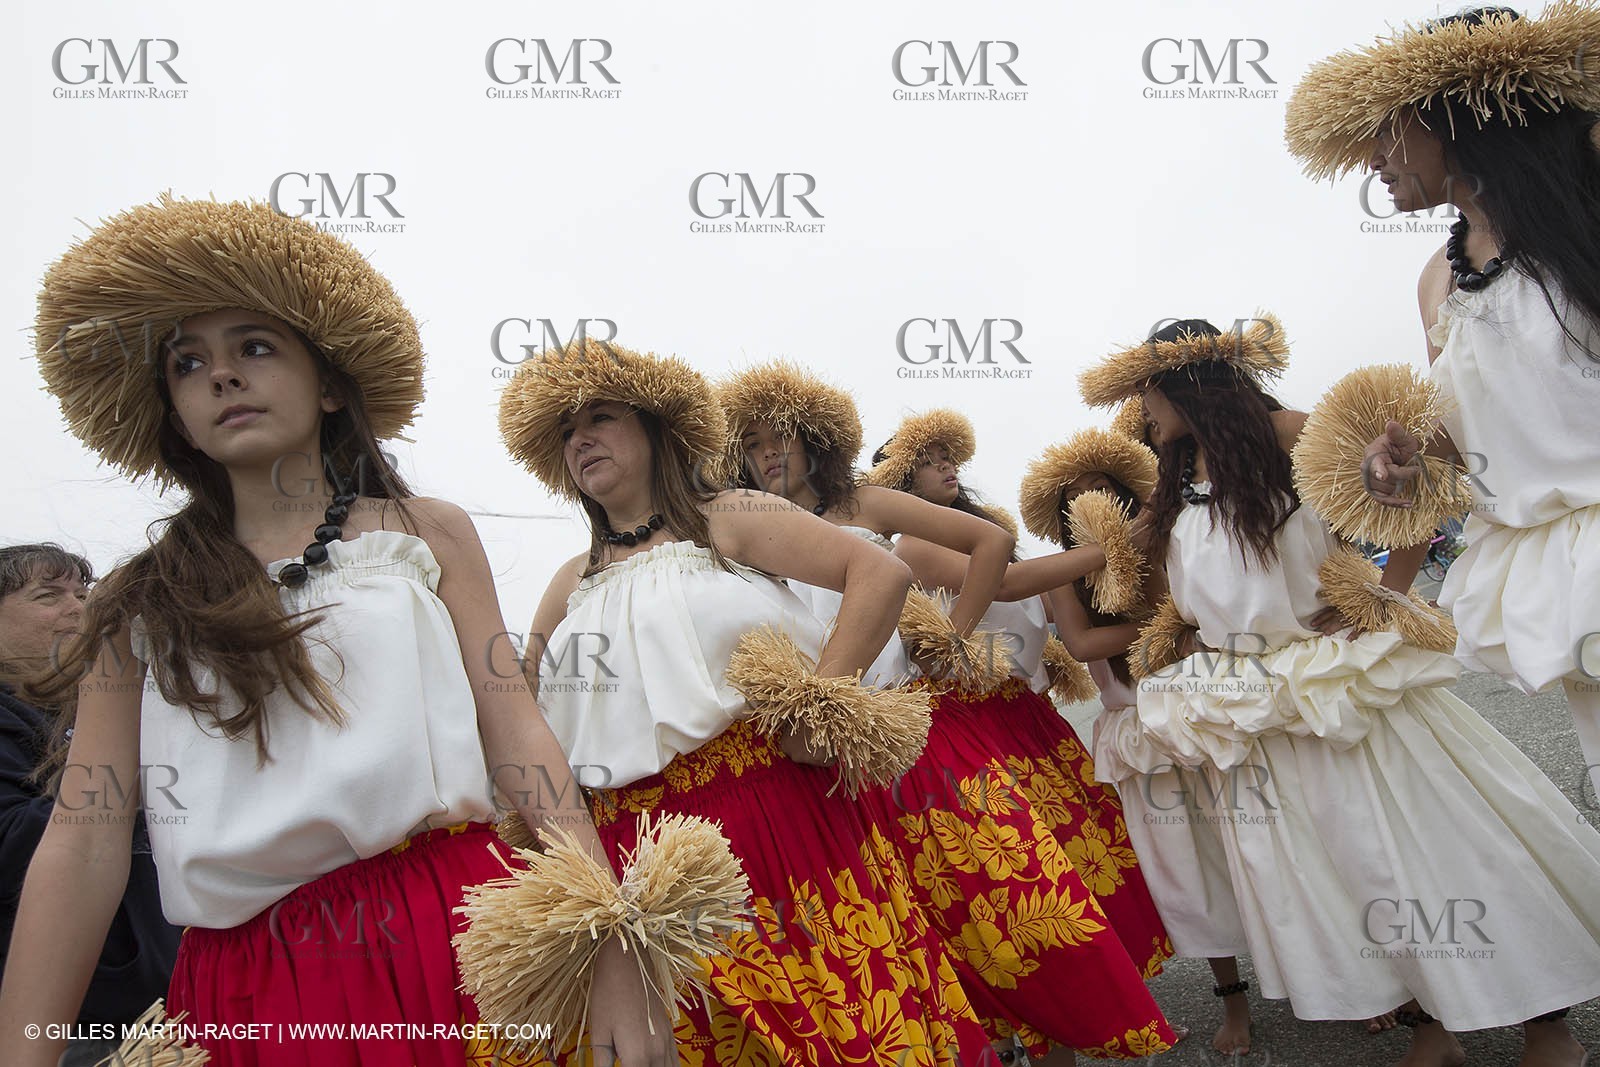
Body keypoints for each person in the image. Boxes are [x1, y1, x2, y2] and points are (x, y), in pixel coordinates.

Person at [0, 196, 677, 1067]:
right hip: (247, 1000)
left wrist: (610, 939)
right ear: (174, 414)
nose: (222, 375)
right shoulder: (136, 603)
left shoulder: (427, 531)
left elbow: (517, 735)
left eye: (254, 346)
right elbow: (84, 837)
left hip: (458, 937)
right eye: (187, 363)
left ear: (327, 384)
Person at [1079, 315, 1600, 1067]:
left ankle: (1547, 1025)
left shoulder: (1295, 434)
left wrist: (1380, 596)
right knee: (1337, 871)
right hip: (1249, 708)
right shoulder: (1177, 480)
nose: (1142, 412)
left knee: (1433, 845)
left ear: (1187, 384)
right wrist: (1190, 634)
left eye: (1146, 395)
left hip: (1336, 685)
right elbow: (1195, 593)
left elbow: (1425, 491)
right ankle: (1431, 1027)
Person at [503, 339, 995, 1063]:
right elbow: (522, 708)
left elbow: (878, 573)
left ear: (654, 429)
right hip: (636, 859)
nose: (582, 439)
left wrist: (820, 704)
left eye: (601, 417)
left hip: (770, 821)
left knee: (835, 1026)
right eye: (567, 432)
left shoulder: (725, 517)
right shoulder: (570, 580)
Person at [718, 365, 1175, 1064]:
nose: (767, 454)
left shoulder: (867, 506)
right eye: (750, 445)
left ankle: (1066, 1040)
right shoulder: (753, 535)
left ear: (813, 440)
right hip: (834, 770)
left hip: (918, 737)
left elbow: (992, 547)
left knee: (1010, 915)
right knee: (933, 944)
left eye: (778, 437)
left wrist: (953, 636)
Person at [1286, 3, 1600, 803]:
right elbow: (1462, 450)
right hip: (1560, 577)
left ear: (1457, 116)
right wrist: (1401, 466)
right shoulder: (1438, 276)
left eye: (1388, 132)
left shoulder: (1587, 221)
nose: (1374, 164)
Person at [865, 409, 1178, 1062]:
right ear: (899, 481)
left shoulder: (1012, 543)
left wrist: (1181, 625)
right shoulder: (912, 549)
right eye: (930, 458)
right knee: (1029, 897)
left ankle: (1052, 1033)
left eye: (953, 453)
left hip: (1031, 724)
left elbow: (1083, 639)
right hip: (961, 726)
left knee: (1080, 878)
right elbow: (1004, 583)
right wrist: (1125, 537)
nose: (949, 464)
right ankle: (1031, 1036)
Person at [1018, 430, 1254, 1055]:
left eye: (1102, 488)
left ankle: (1342, 977)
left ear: (1128, 492)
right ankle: (1234, 1002)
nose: (1092, 502)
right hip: (1140, 731)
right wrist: (1171, 633)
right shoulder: (1063, 575)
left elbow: (1208, 609)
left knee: (1259, 845)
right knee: (1189, 871)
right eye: (1076, 496)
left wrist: (1178, 622)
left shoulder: (1166, 540)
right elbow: (1083, 644)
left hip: (1209, 710)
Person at [0, 544, 180, 1067]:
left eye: (83, 592)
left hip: (171, 1007)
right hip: (69, 1024)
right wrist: (139, 781)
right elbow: (12, 839)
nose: (80, 608)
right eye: (48, 596)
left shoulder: (108, 701)